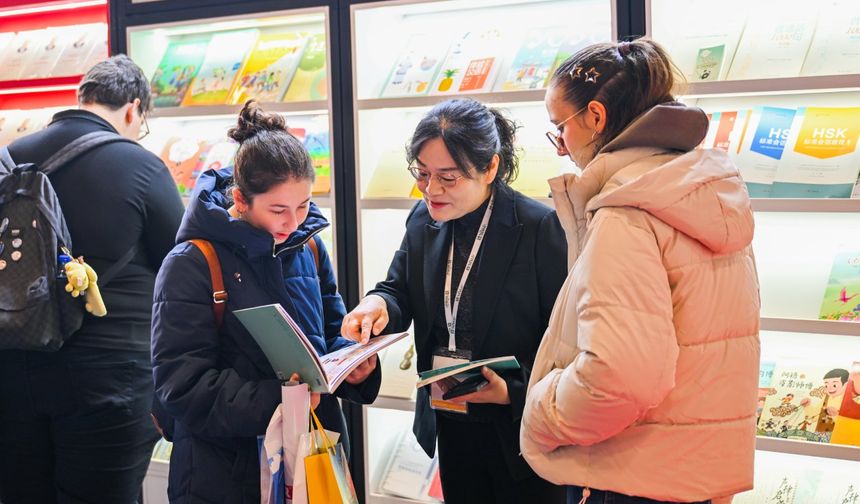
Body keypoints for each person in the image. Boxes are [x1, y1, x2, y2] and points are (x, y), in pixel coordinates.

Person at [520, 39, 760, 504]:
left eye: (559, 128)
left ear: (595, 116)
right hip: (692, 475)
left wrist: (541, 412)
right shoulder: (703, 190)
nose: (561, 147)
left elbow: (619, 376)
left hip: (628, 474)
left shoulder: (626, 212)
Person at [150, 101, 380, 503]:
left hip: (309, 462)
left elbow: (332, 331)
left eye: (304, 205)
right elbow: (182, 385)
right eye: (278, 209)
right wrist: (283, 399)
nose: (294, 222)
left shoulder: (309, 248)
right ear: (241, 199)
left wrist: (354, 365)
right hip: (223, 474)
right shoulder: (193, 263)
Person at [342, 98, 567, 503]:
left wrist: (512, 390)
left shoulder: (539, 227)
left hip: (520, 432)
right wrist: (376, 305)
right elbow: (398, 289)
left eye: (448, 177)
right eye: (422, 173)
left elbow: (567, 340)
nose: (431, 189)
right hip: (451, 418)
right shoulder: (422, 219)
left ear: (490, 167)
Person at [0, 55, 185, 503]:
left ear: (82, 97)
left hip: (13, 366)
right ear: (133, 110)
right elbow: (179, 267)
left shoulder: (11, 158)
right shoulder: (142, 167)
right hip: (109, 378)